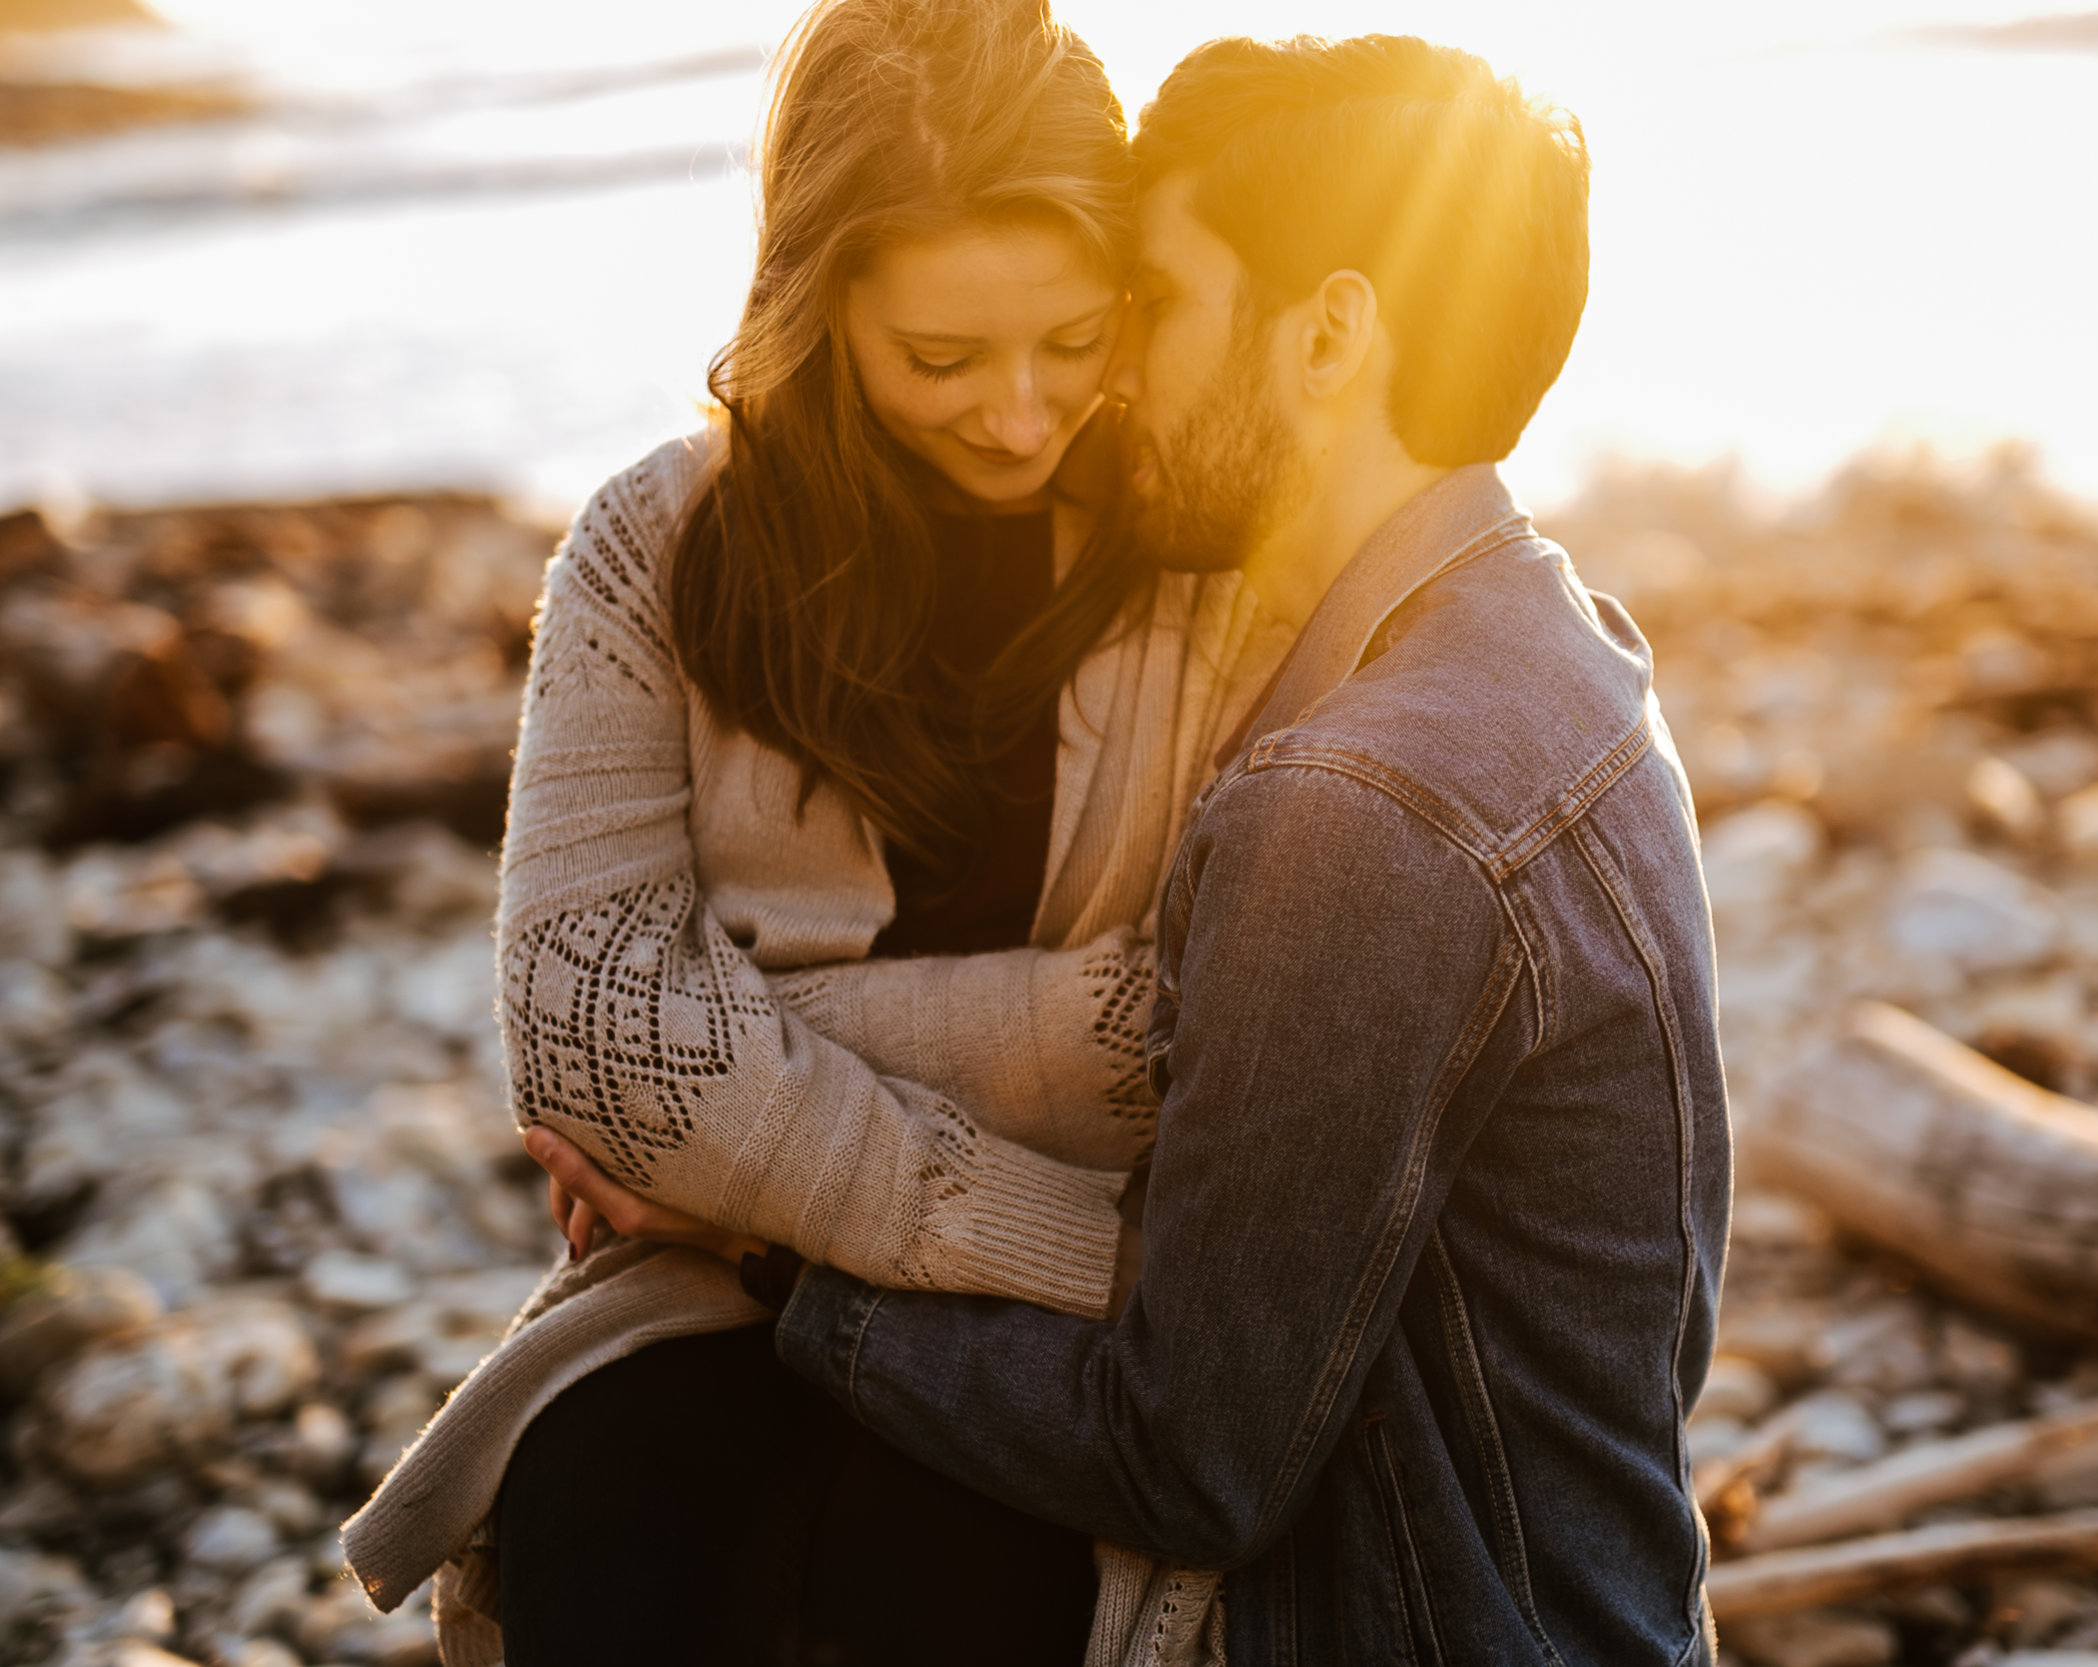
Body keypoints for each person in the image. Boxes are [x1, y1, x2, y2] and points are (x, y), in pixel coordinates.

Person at [532, 30, 1734, 1667]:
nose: (1078, 401)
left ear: (1324, 335)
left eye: (1139, 314)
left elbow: (1187, 1442)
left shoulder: (1358, 803)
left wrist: (748, 1179)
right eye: (947, 355)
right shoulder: (1549, 648)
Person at [338, 2, 1295, 1663]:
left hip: (1045, 1353)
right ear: (812, 304)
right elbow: (584, 1037)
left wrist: (745, 1124)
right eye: (940, 359)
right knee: (598, 1513)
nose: (1018, 412)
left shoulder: (1210, 560)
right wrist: (1072, 1170)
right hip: (741, 1298)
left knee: (948, 1576)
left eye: (1074, 338)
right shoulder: (658, 547)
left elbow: (1217, 1020)